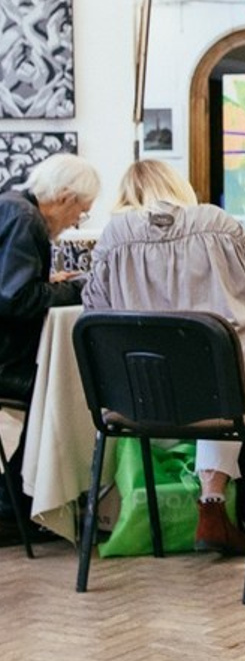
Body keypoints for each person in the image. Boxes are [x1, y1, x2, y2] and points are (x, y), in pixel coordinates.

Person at [82, 161, 245, 556]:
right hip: (232, 386)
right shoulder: (218, 225)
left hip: (142, 395)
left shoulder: (112, 239)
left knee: (209, 385)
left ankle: (212, 511)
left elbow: (94, 310)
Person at [0, 153, 100, 540]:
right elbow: (17, 299)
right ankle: (19, 504)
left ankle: (21, 499)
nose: (76, 221)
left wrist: (49, 282)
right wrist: (77, 288)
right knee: (64, 391)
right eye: (81, 211)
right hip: (7, 363)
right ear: (63, 197)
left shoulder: (12, 205)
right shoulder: (26, 219)